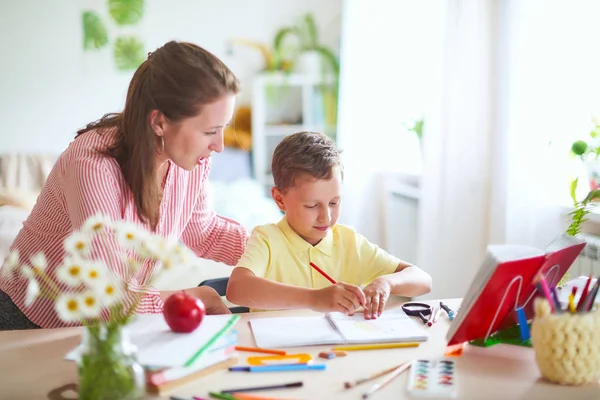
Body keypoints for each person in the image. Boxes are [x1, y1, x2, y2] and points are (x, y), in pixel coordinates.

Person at [0, 41, 248, 330]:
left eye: (223, 128)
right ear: (159, 122)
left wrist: (282, 246)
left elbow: (205, 232)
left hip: (105, 328)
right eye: (209, 131)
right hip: (28, 325)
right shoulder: (92, 164)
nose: (219, 146)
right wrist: (193, 297)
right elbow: (108, 299)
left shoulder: (190, 162)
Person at [226, 131, 432, 319]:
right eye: (312, 205)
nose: (326, 217)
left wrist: (386, 282)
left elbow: (423, 280)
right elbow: (237, 289)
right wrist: (313, 299)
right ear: (280, 200)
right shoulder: (267, 239)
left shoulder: (350, 243)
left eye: (334, 202)